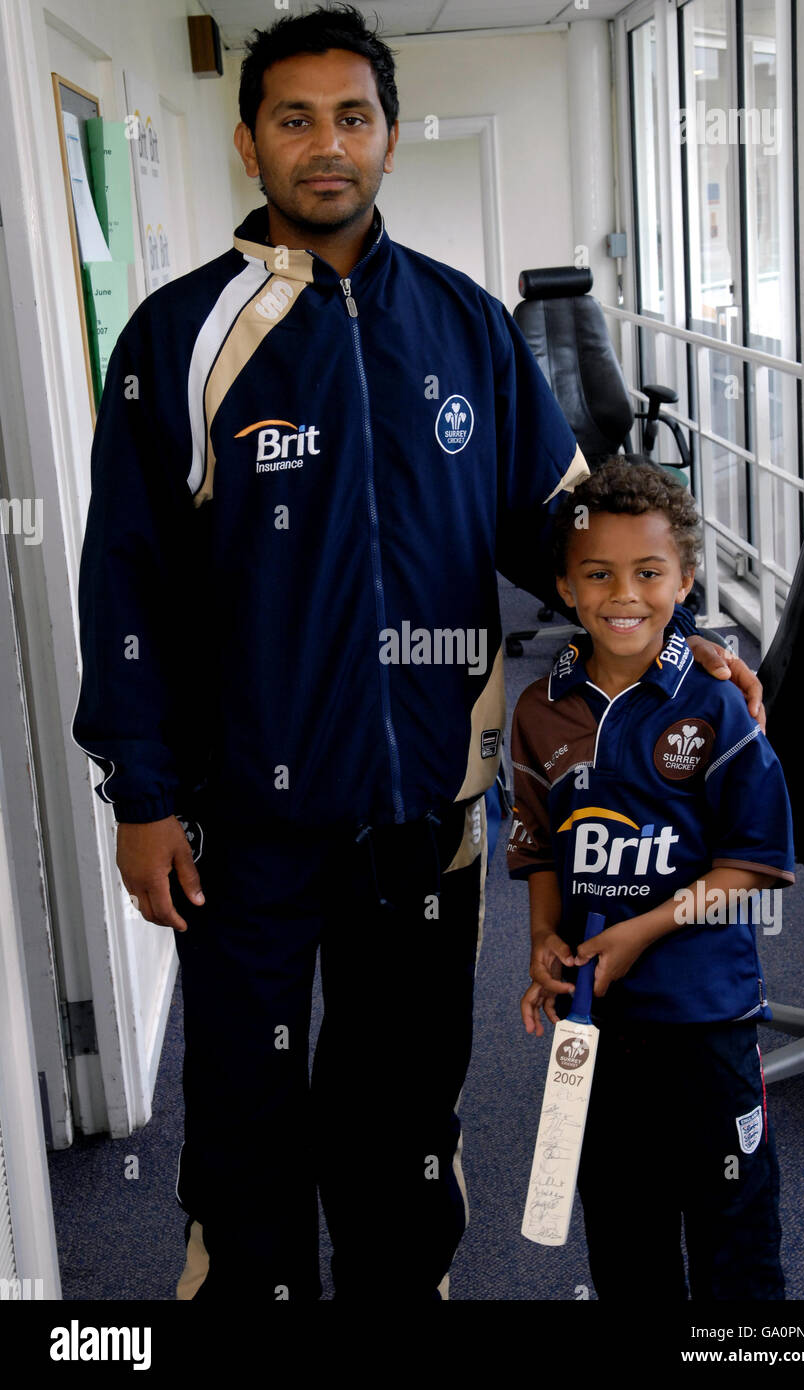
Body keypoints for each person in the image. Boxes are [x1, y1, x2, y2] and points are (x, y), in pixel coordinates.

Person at [71, 7, 765, 1301]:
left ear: (389, 138)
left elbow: (563, 528)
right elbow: (127, 580)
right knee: (245, 1115)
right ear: (249, 141)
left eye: (351, 117)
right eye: (294, 118)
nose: (324, 145)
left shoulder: (462, 325)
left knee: (402, 1115)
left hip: (428, 815)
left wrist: (681, 638)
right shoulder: (176, 339)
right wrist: (144, 793)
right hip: (245, 820)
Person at [508, 457, 794, 1300]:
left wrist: (641, 932)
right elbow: (539, 851)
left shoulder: (717, 704)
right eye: (598, 574)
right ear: (564, 586)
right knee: (626, 1239)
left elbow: (753, 864)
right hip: (598, 1033)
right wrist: (542, 942)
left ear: (686, 579)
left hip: (708, 1024)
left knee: (736, 1238)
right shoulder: (540, 712)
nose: (622, 594)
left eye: (648, 573)